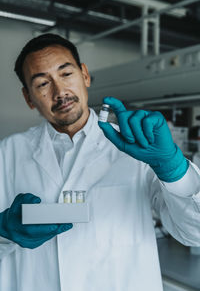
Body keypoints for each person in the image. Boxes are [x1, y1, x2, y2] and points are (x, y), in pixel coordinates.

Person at [0, 33, 200, 291]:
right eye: (42, 84)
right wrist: (3, 232)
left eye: (66, 74)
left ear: (84, 75)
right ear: (29, 98)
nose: (60, 92)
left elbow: (195, 233)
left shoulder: (136, 147)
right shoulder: (7, 154)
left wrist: (173, 168)